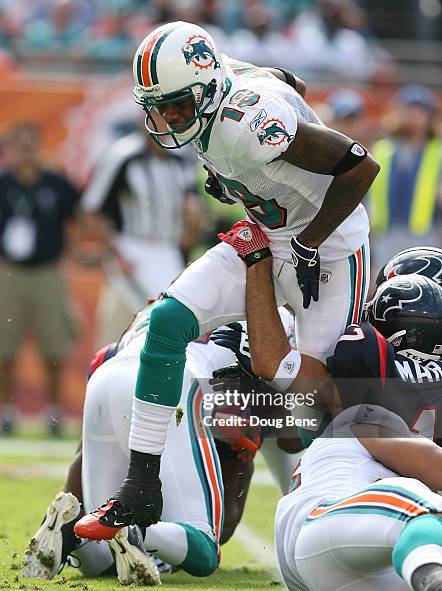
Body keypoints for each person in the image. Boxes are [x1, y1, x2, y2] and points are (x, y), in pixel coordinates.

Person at [75, 21, 379, 537]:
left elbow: (359, 166)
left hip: (328, 248)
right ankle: (141, 486)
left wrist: (309, 241)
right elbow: (286, 80)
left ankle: (339, 503)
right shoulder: (222, 88)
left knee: (309, 394)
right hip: (267, 231)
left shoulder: (250, 122)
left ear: (208, 87)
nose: (165, 118)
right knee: (169, 319)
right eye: (156, 107)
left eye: (176, 106)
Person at [223, 221, 442, 591]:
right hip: (339, 512)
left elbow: (276, 369)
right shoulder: (364, 396)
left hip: (330, 551)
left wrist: (257, 261)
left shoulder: (359, 358)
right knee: (424, 512)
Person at [23, 299, 297, 582]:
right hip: (174, 382)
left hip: (108, 374)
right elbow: (290, 439)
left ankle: (67, 528)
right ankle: (137, 531)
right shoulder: (277, 318)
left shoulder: (171, 299)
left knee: (101, 557)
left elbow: (82, 456)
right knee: (206, 546)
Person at [80, 125, 202, 347]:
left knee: (169, 322)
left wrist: (188, 236)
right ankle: (107, 373)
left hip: (168, 249)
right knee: (122, 323)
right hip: (131, 246)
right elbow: (91, 208)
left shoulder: (181, 158)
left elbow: (191, 206)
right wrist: (114, 252)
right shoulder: (122, 155)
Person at [0, 122, 80, 435]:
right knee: (4, 348)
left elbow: (81, 217)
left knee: (55, 347)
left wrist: (67, 256)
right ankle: (6, 412)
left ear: (39, 146)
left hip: (48, 272)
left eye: (31, 142)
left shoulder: (56, 182)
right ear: (10, 149)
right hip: (10, 272)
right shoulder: (3, 183)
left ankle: (54, 413)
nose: (25, 149)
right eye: (19, 143)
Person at [368, 84, 442, 276]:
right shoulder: (382, 150)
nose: (413, 116)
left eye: (419, 111)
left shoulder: (438, 151)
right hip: (386, 235)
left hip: (426, 236)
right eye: (408, 109)